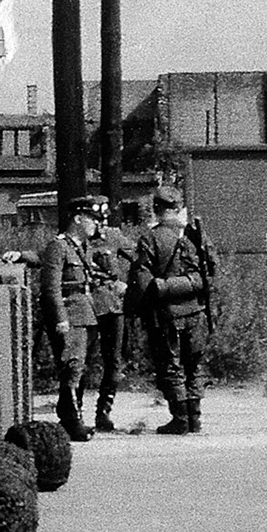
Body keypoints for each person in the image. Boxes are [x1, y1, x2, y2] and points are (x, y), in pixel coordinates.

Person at [130, 186, 215, 435]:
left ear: (157, 209)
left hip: (167, 314)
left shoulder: (151, 238)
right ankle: (195, 418)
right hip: (196, 311)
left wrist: (142, 310)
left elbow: (143, 280)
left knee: (171, 364)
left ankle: (180, 419)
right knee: (195, 364)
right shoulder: (196, 235)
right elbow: (212, 270)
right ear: (178, 208)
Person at [39, 199, 101, 441]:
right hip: (71, 314)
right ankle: (71, 420)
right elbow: (51, 288)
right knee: (72, 367)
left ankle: (75, 417)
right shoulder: (59, 246)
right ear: (77, 219)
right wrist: (60, 318)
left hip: (86, 313)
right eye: (91, 218)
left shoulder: (80, 247)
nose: (96, 224)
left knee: (80, 367)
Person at [85, 199, 136, 432]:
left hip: (113, 306)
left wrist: (130, 286)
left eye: (101, 220)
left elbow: (142, 258)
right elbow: (48, 254)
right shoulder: (77, 239)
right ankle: (75, 411)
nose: (99, 225)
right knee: (81, 360)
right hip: (87, 306)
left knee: (113, 360)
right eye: (95, 220)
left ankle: (103, 411)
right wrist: (22, 254)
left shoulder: (114, 237)